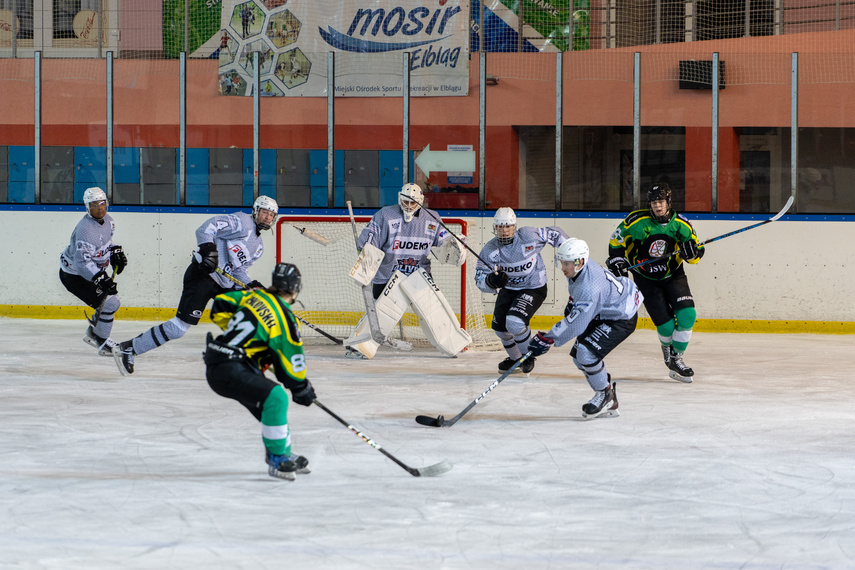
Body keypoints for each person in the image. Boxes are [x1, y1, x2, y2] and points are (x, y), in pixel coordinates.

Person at [112, 195, 279, 376]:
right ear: (255, 211)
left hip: (224, 283)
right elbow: (206, 228)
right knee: (178, 328)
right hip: (203, 275)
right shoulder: (242, 221)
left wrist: (251, 284)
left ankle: (245, 362)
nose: (267, 218)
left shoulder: (259, 247)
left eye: (271, 215)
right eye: (264, 213)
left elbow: (238, 271)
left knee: (246, 317)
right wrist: (208, 248)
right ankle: (129, 348)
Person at [204, 262, 316, 481]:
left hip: (219, 360)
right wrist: (301, 387)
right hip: (231, 367)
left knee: (270, 407)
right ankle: (276, 458)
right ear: (296, 289)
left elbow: (219, 305)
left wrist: (250, 343)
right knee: (276, 398)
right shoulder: (285, 318)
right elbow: (291, 362)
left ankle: (283, 451)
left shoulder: (255, 296)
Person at [346, 182, 469, 359]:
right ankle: (360, 346)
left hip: (419, 276)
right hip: (387, 276)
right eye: (405, 202)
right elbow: (371, 241)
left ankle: (453, 344)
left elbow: (444, 241)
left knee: (433, 312)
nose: (409, 206)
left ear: (421, 201)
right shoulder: (386, 215)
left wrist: (456, 244)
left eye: (413, 203)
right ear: (399, 198)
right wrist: (366, 249)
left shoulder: (432, 218)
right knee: (381, 313)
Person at [527, 238, 643, 419]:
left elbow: (577, 323)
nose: (563, 267)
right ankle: (603, 383)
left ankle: (606, 395)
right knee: (579, 359)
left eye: (567, 263)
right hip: (606, 309)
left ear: (579, 262)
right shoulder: (581, 270)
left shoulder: (590, 288)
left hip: (620, 316)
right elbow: (579, 301)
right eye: (562, 262)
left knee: (585, 354)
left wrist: (549, 338)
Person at [606, 182, 703, 382]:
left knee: (687, 315)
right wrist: (617, 258)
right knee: (666, 327)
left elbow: (694, 256)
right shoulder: (635, 221)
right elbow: (616, 241)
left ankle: (676, 358)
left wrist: (693, 252)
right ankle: (668, 349)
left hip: (673, 274)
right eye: (653, 202)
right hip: (645, 279)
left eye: (661, 201)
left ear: (668, 202)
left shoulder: (682, 224)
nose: (657, 206)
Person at [474, 207, 568, 375]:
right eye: (500, 227)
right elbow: (479, 278)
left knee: (515, 322)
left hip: (534, 287)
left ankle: (528, 356)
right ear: (495, 228)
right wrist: (491, 281)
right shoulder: (490, 249)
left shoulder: (528, 236)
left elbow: (555, 232)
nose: (504, 231)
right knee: (500, 328)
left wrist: (566, 250)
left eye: (507, 226)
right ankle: (516, 358)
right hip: (510, 290)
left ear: (514, 226)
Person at [59, 187, 128, 357]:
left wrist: (114, 250)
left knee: (111, 303)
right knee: (110, 303)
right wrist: (100, 278)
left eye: (102, 203)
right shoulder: (85, 229)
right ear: (87, 207)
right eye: (94, 205)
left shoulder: (109, 221)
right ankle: (101, 341)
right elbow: (82, 263)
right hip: (74, 276)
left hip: (88, 273)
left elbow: (104, 241)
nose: (99, 208)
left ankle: (95, 334)